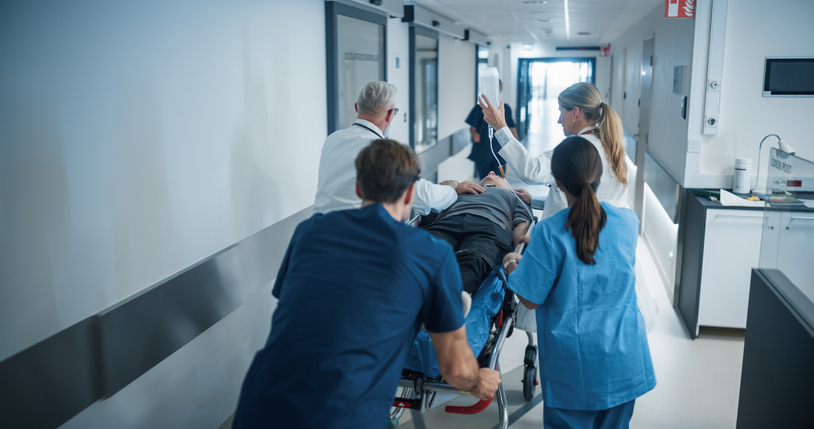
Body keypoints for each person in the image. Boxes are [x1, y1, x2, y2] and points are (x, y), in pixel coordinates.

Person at [233, 139, 501, 429]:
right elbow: (455, 368)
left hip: (259, 404)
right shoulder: (430, 254)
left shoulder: (309, 231)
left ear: (359, 187)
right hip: (343, 413)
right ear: (411, 192)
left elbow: (298, 308)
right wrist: (478, 380)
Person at [502, 137, 655, 429]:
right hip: (625, 360)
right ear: (598, 174)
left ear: (557, 182)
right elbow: (596, 255)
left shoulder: (550, 232)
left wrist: (512, 262)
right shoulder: (627, 221)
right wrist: (545, 255)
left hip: (576, 368)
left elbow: (530, 299)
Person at [315, 81, 483, 215]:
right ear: (390, 114)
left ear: (357, 107)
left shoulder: (333, 139)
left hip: (320, 232)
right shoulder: (380, 150)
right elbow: (424, 197)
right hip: (356, 237)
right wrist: (451, 188)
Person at [479, 82, 628, 221]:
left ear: (575, 113)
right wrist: (534, 201)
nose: (559, 120)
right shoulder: (610, 144)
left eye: (561, 112)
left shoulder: (578, 148)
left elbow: (532, 170)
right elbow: (583, 198)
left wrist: (501, 127)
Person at [421, 171, 531, 296]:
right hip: (447, 223)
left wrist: (517, 250)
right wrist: (449, 188)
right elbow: (428, 207)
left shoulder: (513, 197)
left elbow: (521, 225)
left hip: (489, 229)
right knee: (425, 252)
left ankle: (451, 299)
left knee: (473, 260)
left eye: (499, 177)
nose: (491, 172)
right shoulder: (458, 191)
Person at [465, 79, 519, 180]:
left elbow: (511, 128)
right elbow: (472, 128)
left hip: (501, 149)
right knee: (485, 180)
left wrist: (517, 144)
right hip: (483, 150)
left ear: (501, 89)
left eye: (497, 87)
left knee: (499, 179)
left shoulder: (505, 108)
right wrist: (474, 134)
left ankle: (498, 194)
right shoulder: (479, 108)